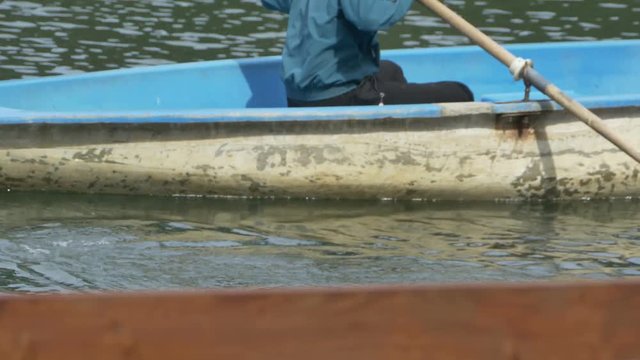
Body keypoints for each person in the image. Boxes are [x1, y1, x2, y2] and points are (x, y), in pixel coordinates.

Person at [261, 0, 474, 107]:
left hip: (298, 95)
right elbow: (369, 17)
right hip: (336, 97)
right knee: (460, 94)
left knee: (391, 71)